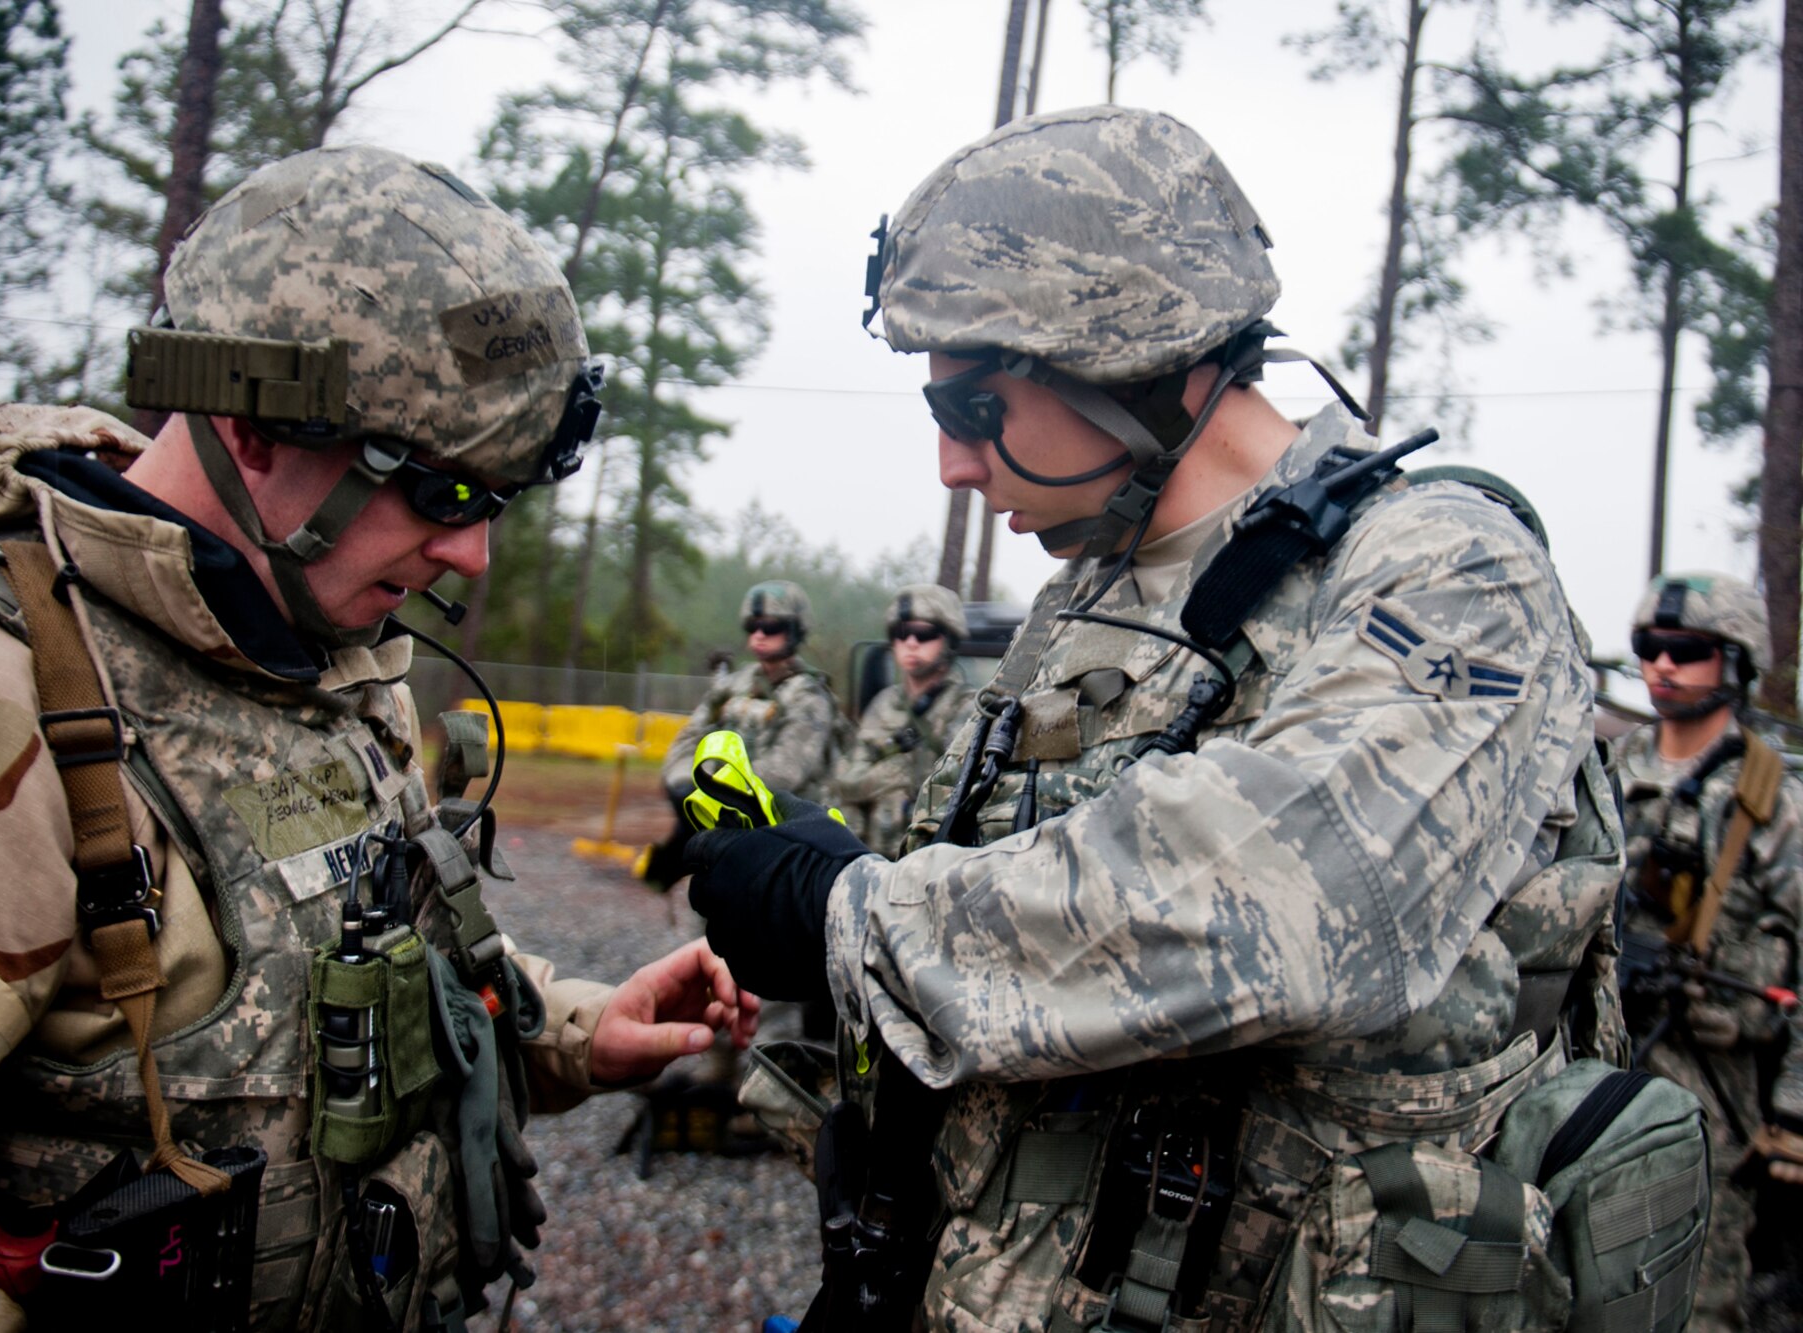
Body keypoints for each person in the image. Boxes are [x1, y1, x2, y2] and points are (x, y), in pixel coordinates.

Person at [684, 106, 1637, 1332]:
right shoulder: (1093, 593)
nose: (951, 468)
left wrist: (849, 913)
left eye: (975, 410)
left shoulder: (1448, 572)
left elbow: (1295, 898)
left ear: (1128, 356)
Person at [0, 145, 757, 1333]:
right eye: (441, 493)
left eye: (497, 504)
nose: (471, 557)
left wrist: (571, 1030)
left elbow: (382, 992)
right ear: (254, 429)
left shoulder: (335, 671)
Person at [1613, 572, 1803, 1331]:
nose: (1662, 666)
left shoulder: (1775, 799)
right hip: (1599, 1062)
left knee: (1700, 1298)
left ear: (1734, 661)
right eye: (1650, 648)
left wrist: (1793, 1111)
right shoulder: (1604, 768)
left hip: (1715, 1098)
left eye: (1686, 650)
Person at [639, 579, 840, 887]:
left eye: (770, 626)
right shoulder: (733, 685)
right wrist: (686, 785)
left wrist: (715, 796)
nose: (759, 634)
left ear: (795, 630)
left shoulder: (810, 696)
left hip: (781, 841)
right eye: (752, 625)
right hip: (722, 831)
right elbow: (690, 738)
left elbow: (786, 770)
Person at [834, 583, 978, 855]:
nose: (910, 643)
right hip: (870, 854)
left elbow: (959, 793)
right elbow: (844, 782)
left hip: (931, 857)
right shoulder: (883, 704)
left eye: (924, 633)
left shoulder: (967, 708)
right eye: (901, 633)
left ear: (949, 640)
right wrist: (891, 774)